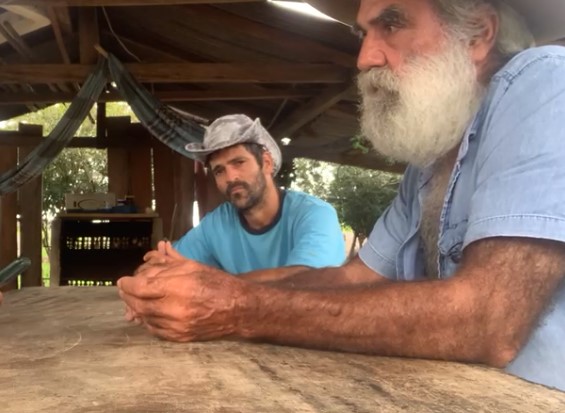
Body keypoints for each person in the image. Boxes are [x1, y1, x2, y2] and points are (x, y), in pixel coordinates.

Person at [118, 0, 565, 390]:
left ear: (477, 35)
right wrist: (202, 288)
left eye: (391, 24)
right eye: (363, 33)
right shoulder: (429, 164)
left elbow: (489, 319)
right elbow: (356, 278)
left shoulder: (545, 80)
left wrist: (236, 306)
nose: (365, 58)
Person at [144, 114, 345, 282]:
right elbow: (154, 270)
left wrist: (206, 279)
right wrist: (154, 269)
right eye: (219, 171)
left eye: (239, 162)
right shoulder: (217, 224)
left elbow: (306, 279)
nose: (231, 178)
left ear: (266, 163)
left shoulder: (314, 214)